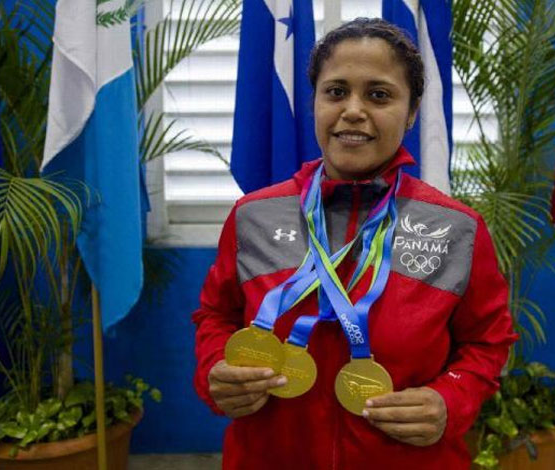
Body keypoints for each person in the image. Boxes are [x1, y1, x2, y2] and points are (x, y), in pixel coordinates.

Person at [193, 18, 517, 469]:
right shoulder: (254, 216)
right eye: (336, 91)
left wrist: (451, 397)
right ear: (315, 102)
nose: (353, 110)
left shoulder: (455, 228)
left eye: (379, 95)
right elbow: (216, 315)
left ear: (412, 111)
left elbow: (488, 341)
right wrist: (216, 368)